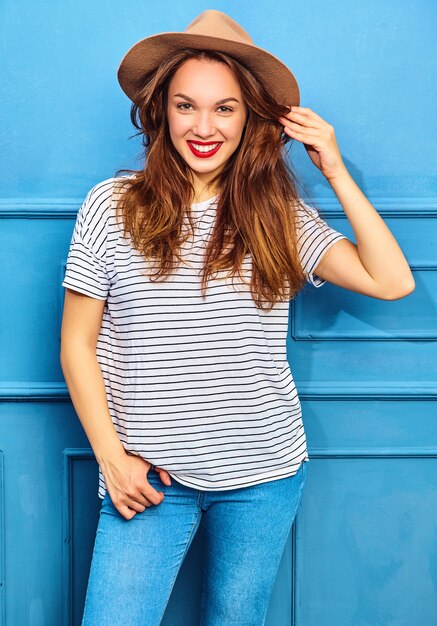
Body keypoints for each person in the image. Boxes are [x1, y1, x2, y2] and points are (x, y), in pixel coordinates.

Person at [60, 9, 415, 626]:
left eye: (224, 107)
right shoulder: (110, 208)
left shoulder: (277, 215)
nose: (203, 126)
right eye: (185, 105)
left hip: (263, 477)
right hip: (150, 480)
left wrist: (332, 166)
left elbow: (391, 281)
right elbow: (76, 346)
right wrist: (113, 461)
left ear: (251, 117)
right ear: (160, 112)